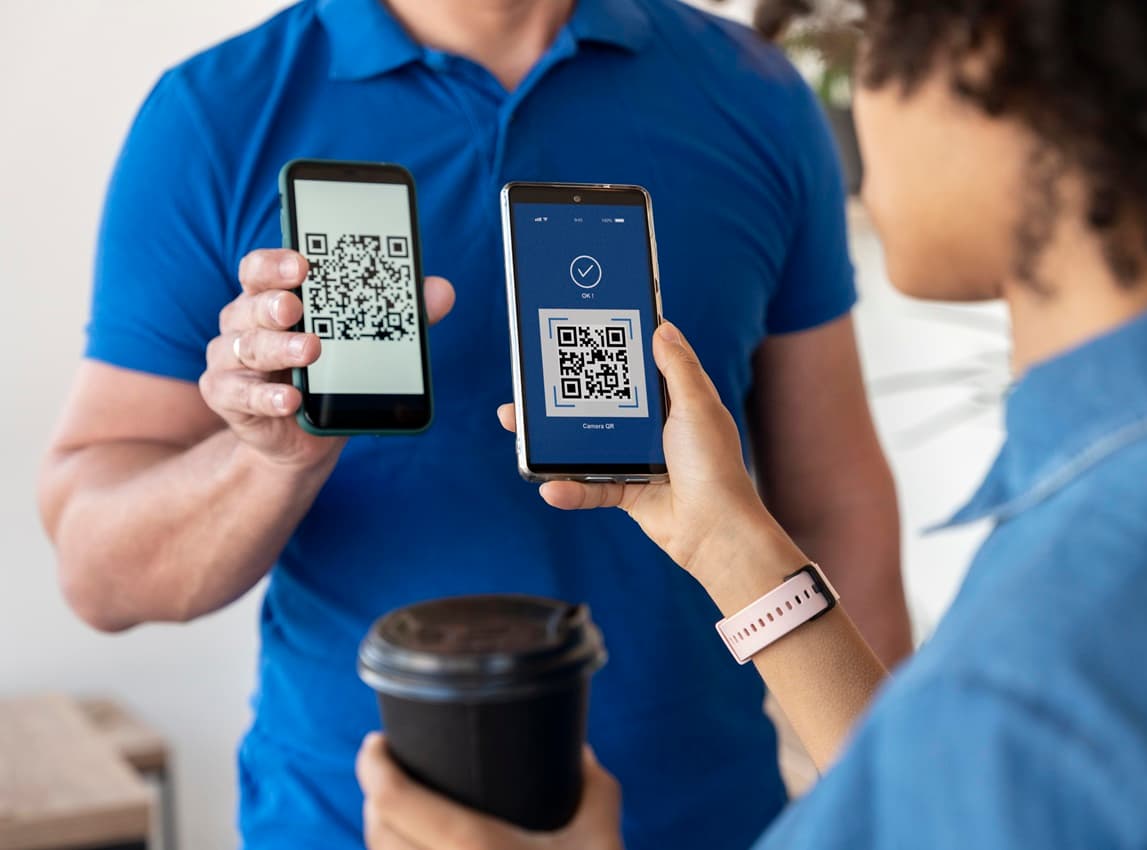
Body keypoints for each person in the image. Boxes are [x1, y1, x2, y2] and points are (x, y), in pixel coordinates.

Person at [353, 0, 1147, 847]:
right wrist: (729, 542)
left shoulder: (1042, 667)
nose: (859, 95)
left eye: (879, 36)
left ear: (994, 56)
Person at [36, 0, 910, 848]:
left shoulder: (754, 90)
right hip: (349, 821)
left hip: (709, 817)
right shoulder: (213, 112)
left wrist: (903, 800)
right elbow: (98, 573)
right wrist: (269, 459)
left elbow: (837, 501)